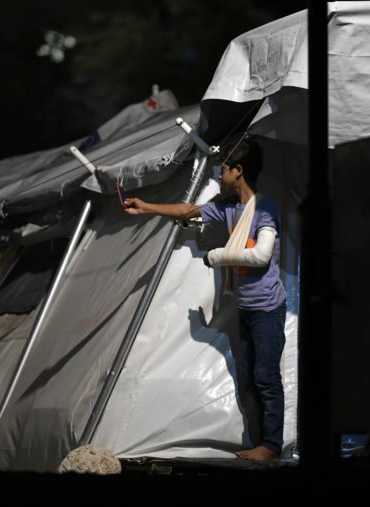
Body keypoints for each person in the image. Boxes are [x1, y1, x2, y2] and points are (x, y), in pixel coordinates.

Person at [122, 139, 287, 461]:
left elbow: (261, 255)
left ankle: (271, 446)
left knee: (266, 377)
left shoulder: (265, 208)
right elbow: (187, 210)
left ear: (238, 171)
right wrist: (146, 207)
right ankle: (260, 443)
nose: (219, 173)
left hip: (268, 308)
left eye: (223, 169)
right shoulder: (228, 208)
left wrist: (217, 255)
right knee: (252, 378)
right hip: (247, 308)